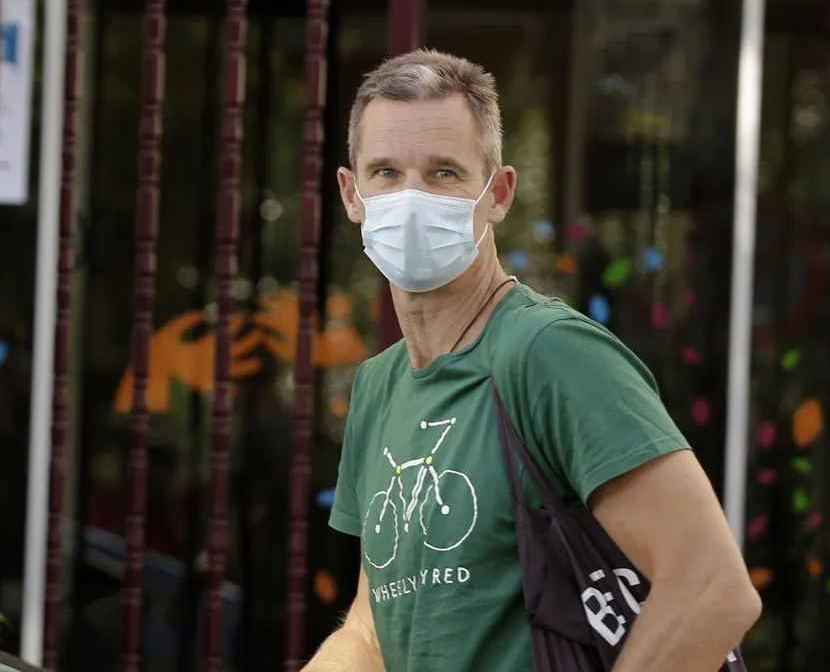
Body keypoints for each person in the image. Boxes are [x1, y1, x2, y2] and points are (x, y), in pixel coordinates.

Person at [303, 49, 760, 672]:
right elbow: (371, 630)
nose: (411, 197)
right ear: (351, 194)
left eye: (443, 172)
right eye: (385, 172)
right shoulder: (379, 385)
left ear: (498, 194)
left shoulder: (550, 353)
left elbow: (712, 591)